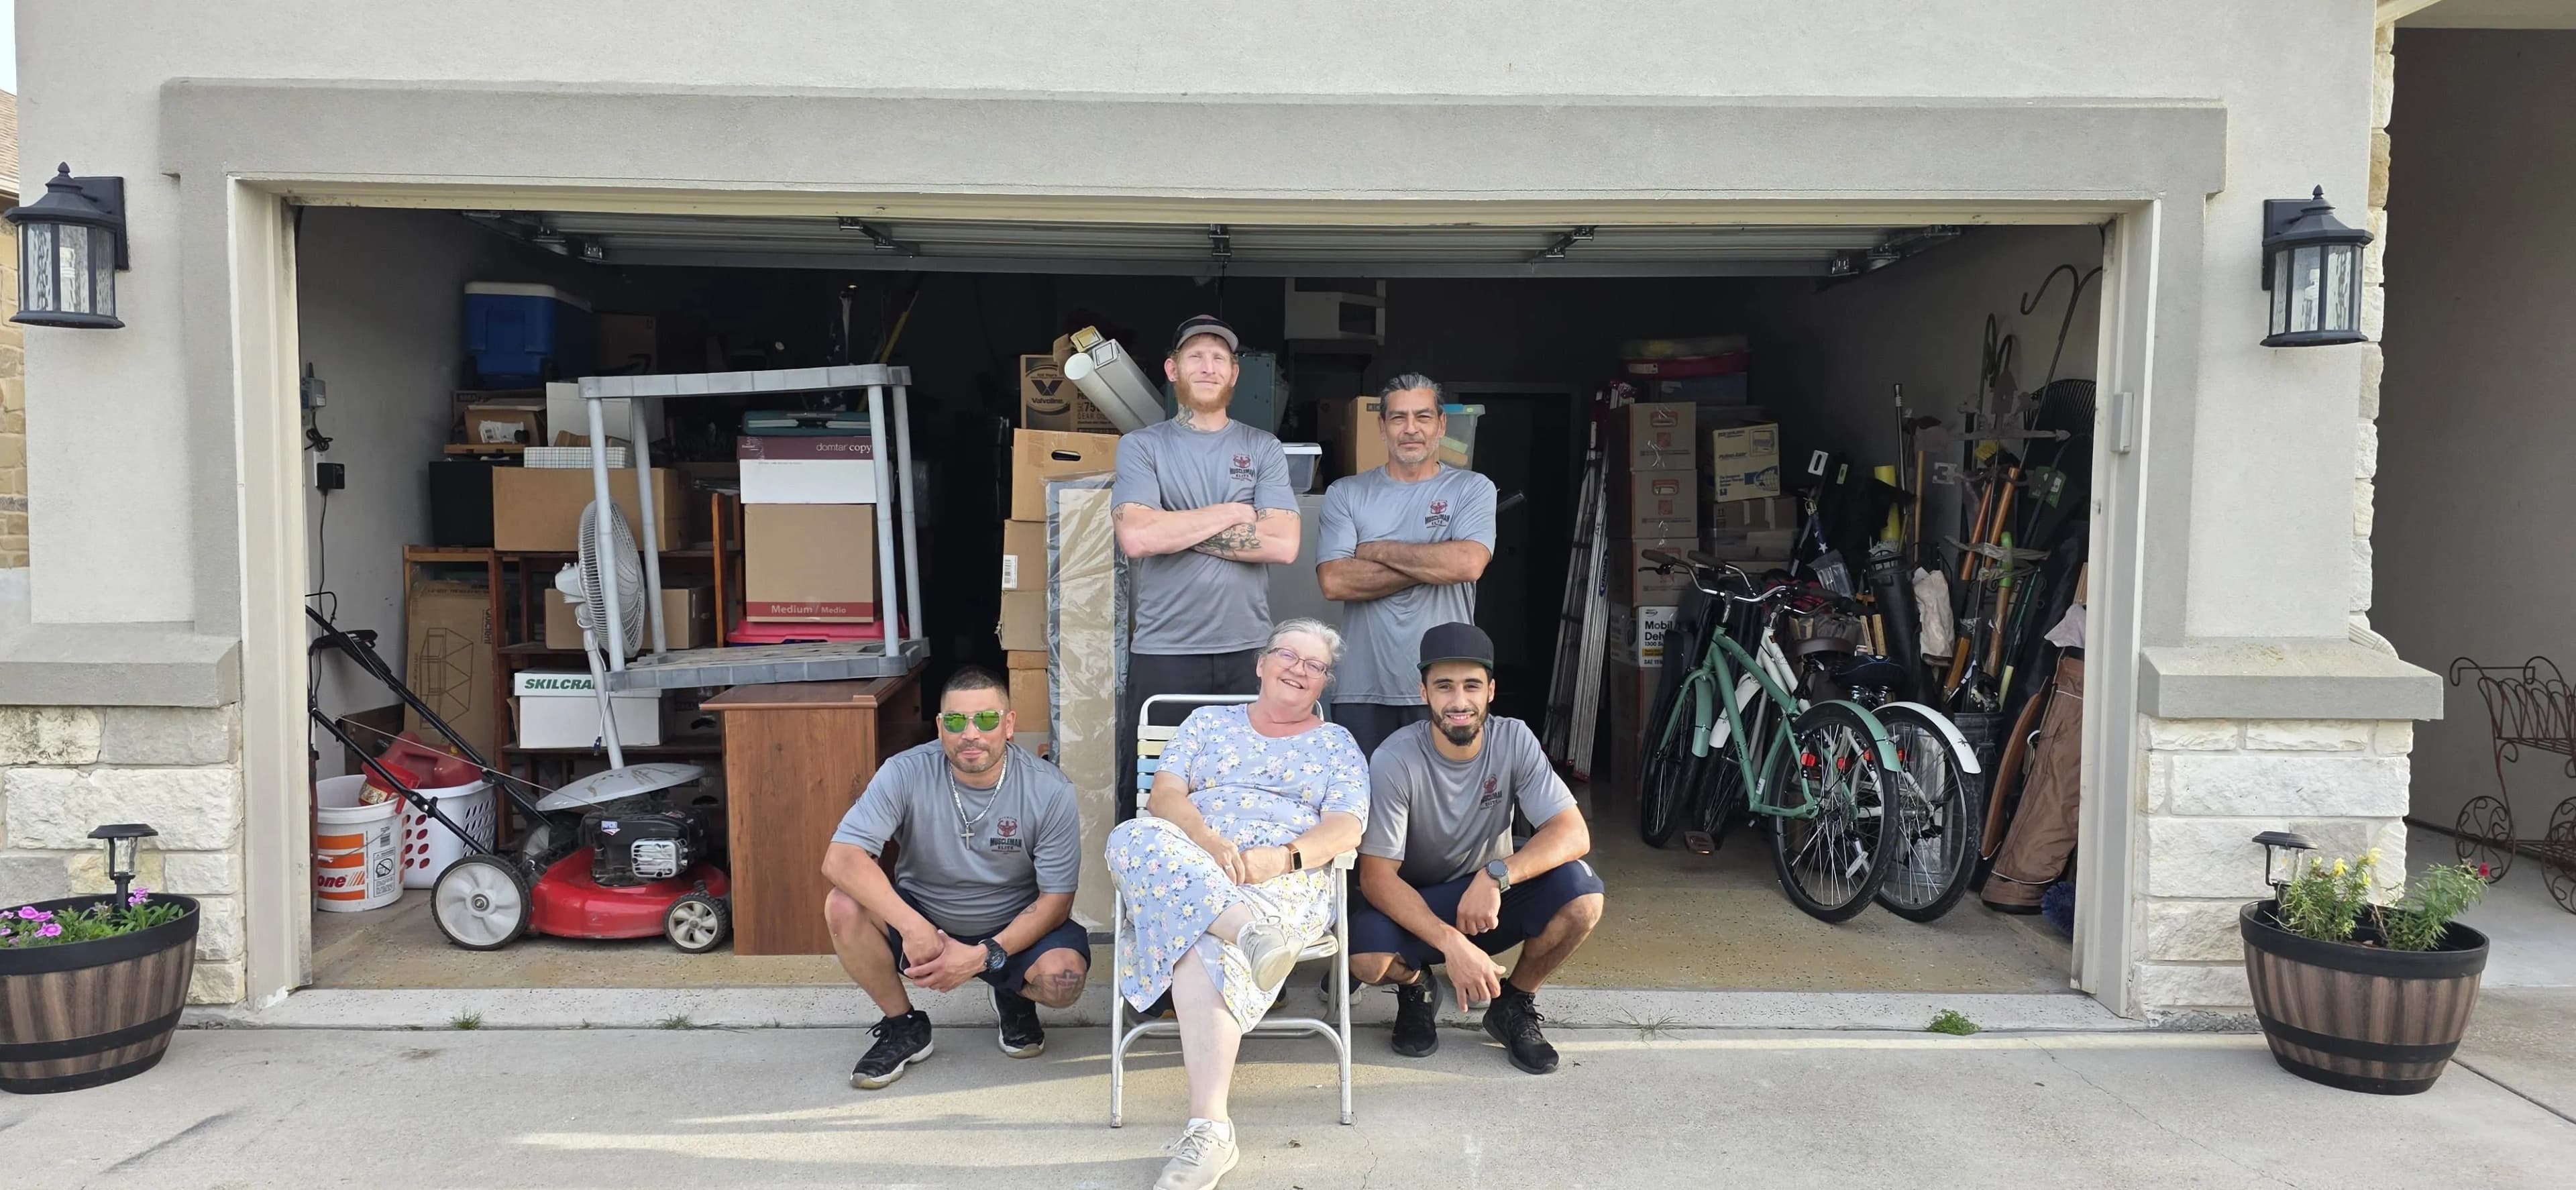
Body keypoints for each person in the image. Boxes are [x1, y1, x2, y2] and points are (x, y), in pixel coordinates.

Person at [1103, 619, 1368, 1190]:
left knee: (1199, 933)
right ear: (1261, 663)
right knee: (1130, 836)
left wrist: (1284, 858)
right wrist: (1204, 839)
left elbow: (1346, 827)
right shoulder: (1207, 724)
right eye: (1288, 656)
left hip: (1284, 880)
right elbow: (1165, 795)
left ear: (1324, 682)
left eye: (1314, 665)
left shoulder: (1336, 744)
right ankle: (1251, 934)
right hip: (1194, 861)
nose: (1298, 670)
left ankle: (1210, 1131)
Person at [1347, 622, 1603, 1075]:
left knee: (1583, 896)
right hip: (1419, 904)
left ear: (1491, 691)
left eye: (1471, 685)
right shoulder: (1395, 758)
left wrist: (1496, 875)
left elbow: (1572, 833)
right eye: (1444, 686)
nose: (1459, 701)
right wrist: (1452, 945)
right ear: (1424, 693)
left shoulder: (1514, 738)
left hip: (1487, 901)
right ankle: (1418, 986)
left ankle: (1514, 1003)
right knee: (1366, 961)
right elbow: (1376, 878)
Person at [820, 665, 1090, 1090]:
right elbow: (841, 859)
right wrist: (914, 927)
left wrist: (984, 956)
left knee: (1063, 982)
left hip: (1012, 925)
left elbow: (1057, 901)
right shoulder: (905, 771)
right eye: (955, 721)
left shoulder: (1050, 790)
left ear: (1009, 724)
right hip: (925, 917)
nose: (970, 734)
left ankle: (1011, 994)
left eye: (986, 719)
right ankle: (904, 1026)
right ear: (939, 726)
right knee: (843, 903)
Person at [1112, 315, 1301, 818]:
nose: (1208, 366)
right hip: (1165, 650)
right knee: (1152, 791)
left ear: (1234, 374)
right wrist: (1233, 512)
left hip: (1247, 651)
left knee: (1245, 791)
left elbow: (1283, 544)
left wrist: (1175, 527)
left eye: (1220, 358)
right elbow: (1138, 536)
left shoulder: (1261, 448)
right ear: (1172, 369)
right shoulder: (1143, 446)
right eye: (1195, 356)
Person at [1317, 374, 1497, 759]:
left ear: (1441, 425)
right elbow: (1335, 581)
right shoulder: (1346, 493)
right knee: (1365, 795)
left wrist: (1375, 550)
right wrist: (1434, 562)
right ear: (1382, 427)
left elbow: (1467, 564)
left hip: (1446, 686)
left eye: (1423, 417)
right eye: (1399, 418)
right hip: (1362, 689)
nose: (1411, 428)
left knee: (1443, 796)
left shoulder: (1471, 488)